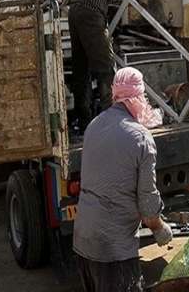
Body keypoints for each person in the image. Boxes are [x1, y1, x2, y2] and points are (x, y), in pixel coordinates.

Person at [72, 67, 172, 292]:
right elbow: (147, 205)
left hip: (84, 240)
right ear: (139, 97)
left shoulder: (93, 126)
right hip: (113, 250)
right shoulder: (141, 138)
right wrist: (160, 228)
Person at [65, 0, 128, 132]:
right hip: (92, 13)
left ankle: (85, 125)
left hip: (74, 11)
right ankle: (113, 123)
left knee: (81, 70)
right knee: (106, 68)